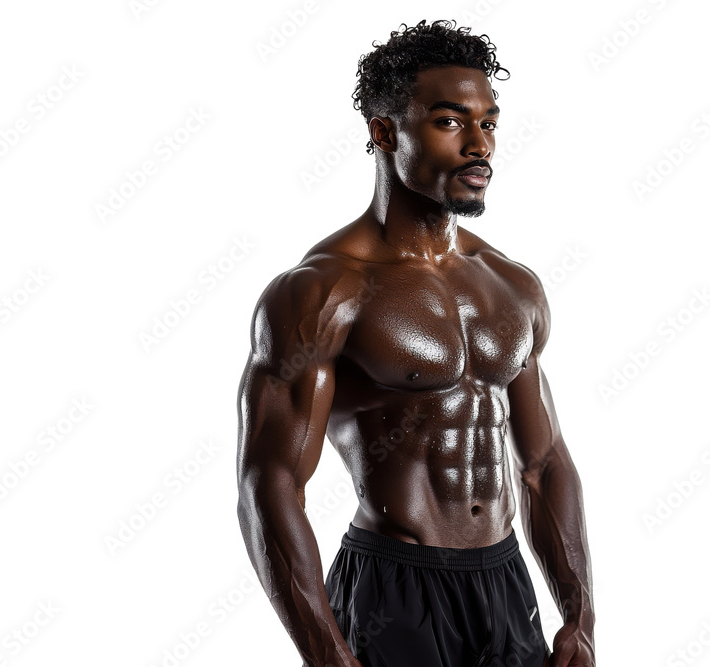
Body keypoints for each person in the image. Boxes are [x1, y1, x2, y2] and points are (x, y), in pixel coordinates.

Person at [236, 19, 595, 667]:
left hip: (505, 583)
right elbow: (272, 483)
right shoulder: (325, 291)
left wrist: (580, 614)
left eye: (488, 122)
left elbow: (543, 463)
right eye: (451, 122)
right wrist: (326, 652)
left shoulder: (512, 286)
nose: (479, 145)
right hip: (392, 588)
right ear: (382, 130)